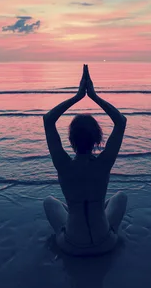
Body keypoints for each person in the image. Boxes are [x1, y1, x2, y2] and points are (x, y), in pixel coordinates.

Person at [43, 64, 128, 256]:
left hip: (71, 245)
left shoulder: (64, 165)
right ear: (97, 140)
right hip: (106, 242)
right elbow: (121, 122)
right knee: (120, 196)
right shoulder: (104, 164)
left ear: (71, 140)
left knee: (49, 201)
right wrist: (94, 96)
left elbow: (48, 119)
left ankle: (75, 210)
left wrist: (78, 96)